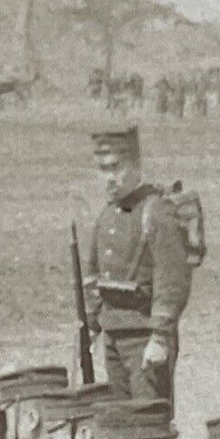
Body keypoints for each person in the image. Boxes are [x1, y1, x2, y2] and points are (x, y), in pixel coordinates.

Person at [86, 126, 192, 407]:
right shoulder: (107, 215)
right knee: (121, 426)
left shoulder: (156, 210)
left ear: (136, 166)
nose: (109, 178)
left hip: (145, 338)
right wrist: (92, 325)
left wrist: (159, 337)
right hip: (113, 337)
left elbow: (172, 282)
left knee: (148, 427)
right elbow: (93, 275)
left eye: (116, 168)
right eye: (102, 169)